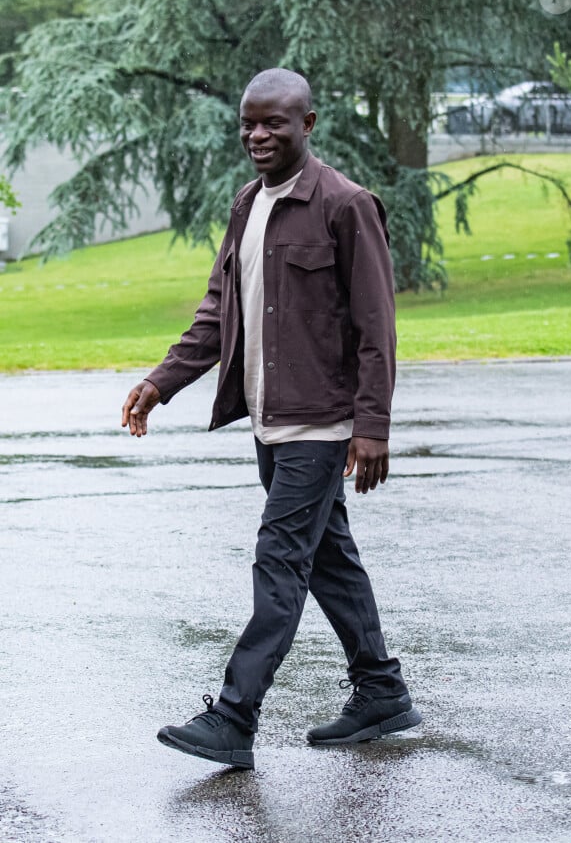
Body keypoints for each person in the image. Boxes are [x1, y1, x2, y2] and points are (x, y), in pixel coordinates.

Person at [121, 68, 421, 771]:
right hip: (269, 419)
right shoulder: (247, 205)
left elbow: (378, 327)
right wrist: (161, 382)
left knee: (279, 562)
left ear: (307, 124)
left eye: (274, 123)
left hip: (319, 427)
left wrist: (372, 425)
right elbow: (219, 310)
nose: (258, 136)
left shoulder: (346, 205)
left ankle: (234, 716)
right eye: (248, 124)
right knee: (327, 559)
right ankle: (381, 690)